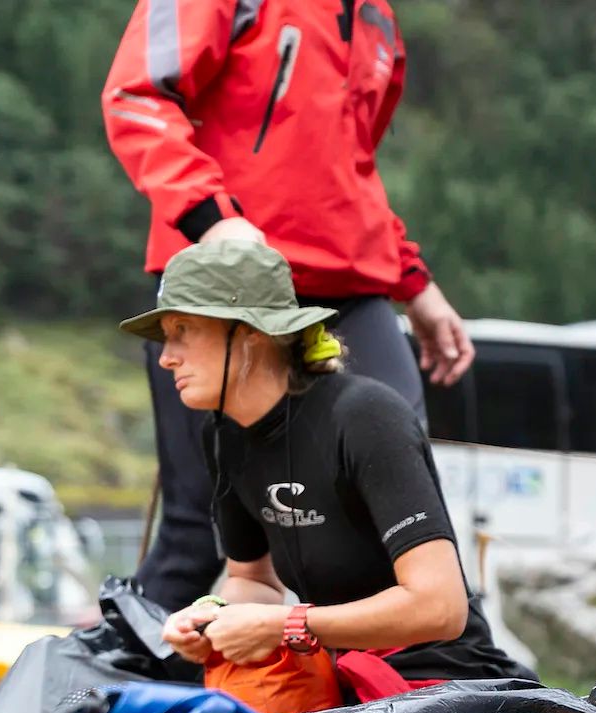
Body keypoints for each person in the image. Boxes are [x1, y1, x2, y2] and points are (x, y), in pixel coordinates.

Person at [101, 0, 478, 610]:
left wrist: (415, 283)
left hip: (351, 291)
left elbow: (350, 169)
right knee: (199, 536)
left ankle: (453, 698)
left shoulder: (377, 19)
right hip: (228, 288)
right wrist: (212, 219)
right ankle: (93, 697)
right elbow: (137, 97)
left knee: (407, 523)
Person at [128, 242, 530, 687]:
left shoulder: (365, 415)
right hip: (334, 681)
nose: (166, 356)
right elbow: (253, 582)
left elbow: (441, 608)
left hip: (444, 683)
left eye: (183, 329)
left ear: (250, 332)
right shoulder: (224, 434)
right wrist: (212, 617)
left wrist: (286, 624)